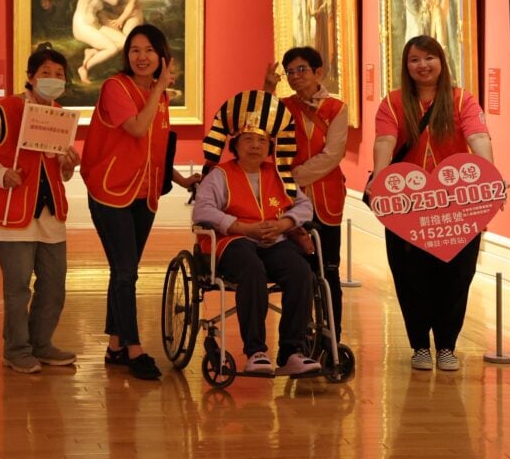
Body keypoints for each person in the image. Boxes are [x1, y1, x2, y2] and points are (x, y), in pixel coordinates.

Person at [80, 24, 198, 380]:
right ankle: (134, 349)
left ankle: (115, 345)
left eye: (148, 50)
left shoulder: (158, 97)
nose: (141, 57)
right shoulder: (115, 87)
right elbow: (135, 128)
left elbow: (154, 148)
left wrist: (180, 179)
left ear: (162, 56)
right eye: (134, 50)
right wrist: (159, 88)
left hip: (143, 193)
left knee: (123, 270)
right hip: (111, 191)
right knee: (126, 272)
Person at [370, 35, 494, 371]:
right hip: (405, 204)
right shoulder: (393, 102)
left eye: (429, 58)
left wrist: (490, 179)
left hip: (457, 203)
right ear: (406, 65)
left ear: (441, 61)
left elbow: (478, 136)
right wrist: (379, 180)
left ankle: (447, 346)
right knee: (410, 276)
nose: (422, 65)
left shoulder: (461, 100)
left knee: (457, 275)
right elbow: (385, 141)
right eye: (414, 60)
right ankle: (420, 345)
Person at [0, 43, 80, 374]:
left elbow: (58, 170)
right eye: (46, 72)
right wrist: (1, 174)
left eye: (59, 74)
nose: (53, 78)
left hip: (49, 212)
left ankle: (42, 343)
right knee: (17, 287)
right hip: (12, 211)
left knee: (54, 283)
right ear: (30, 76)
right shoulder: (6, 110)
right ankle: (16, 349)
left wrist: (69, 165)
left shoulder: (59, 115)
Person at [193, 96, 321, 376]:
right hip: (233, 241)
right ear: (235, 144)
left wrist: (284, 224)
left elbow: (304, 206)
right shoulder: (220, 175)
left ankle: (292, 352)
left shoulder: (279, 174)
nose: (255, 145)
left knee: (301, 271)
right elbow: (202, 210)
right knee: (252, 269)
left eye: (261, 141)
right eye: (248, 139)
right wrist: (241, 227)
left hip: (274, 240)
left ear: (270, 147)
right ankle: (256, 351)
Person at [267, 47, 349, 339]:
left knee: (329, 269)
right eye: (290, 72)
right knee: (299, 270)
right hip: (288, 200)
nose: (295, 76)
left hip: (326, 198)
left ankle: (332, 335)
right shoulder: (282, 105)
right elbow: (259, 127)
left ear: (318, 72)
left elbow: (333, 154)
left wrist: (291, 177)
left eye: (301, 69)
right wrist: (268, 88)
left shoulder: (336, 108)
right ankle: (301, 334)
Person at [71, 0, 122, 83]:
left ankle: (93, 51)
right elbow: (114, 1)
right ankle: (84, 68)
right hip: (82, 26)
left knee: (125, 41)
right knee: (112, 49)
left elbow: (103, 14)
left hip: (96, 26)